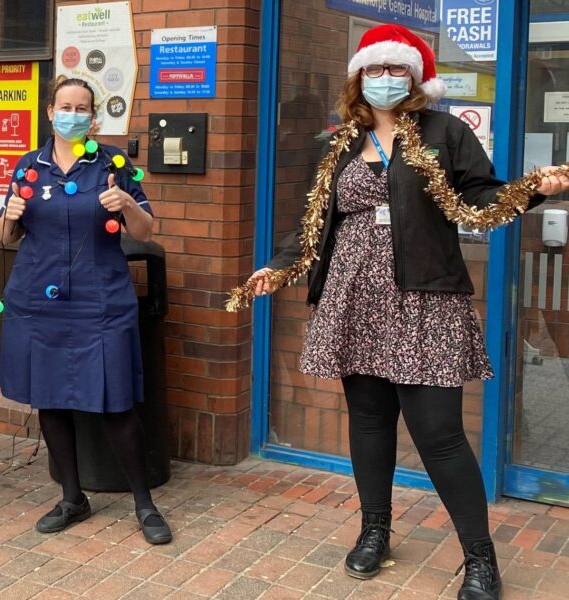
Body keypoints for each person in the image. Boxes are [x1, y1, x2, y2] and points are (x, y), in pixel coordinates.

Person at [239, 25, 569, 600]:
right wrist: (280, 265)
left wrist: (531, 190)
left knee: (440, 434)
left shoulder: (444, 132)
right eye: (375, 70)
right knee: (368, 423)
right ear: (359, 76)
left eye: (396, 70)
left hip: (423, 299)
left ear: (414, 78)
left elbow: (481, 200)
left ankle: (480, 559)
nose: (385, 80)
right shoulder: (342, 141)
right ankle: (375, 530)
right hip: (354, 300)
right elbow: (316, 223)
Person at [0, 77, 172, 545]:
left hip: (100, 302)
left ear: (93, 117)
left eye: (82, 108)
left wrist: (126, 203)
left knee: (116, 403)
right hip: (40, 300)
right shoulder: (29, 167)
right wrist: (9, 213)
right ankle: (73, 497)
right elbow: (5, 237)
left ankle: (144, 503)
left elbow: (146, 229)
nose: (73, 114)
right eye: (65, 106)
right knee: (50, 401)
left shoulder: (112, 163)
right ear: (50, 111)